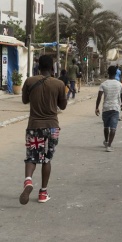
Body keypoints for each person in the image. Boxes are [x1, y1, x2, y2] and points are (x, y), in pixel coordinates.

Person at [20, 55, 67, 205]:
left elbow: (24, 100)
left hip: (34, 126)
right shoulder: (58, 84)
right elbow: (63, 106)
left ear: (38, 67)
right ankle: (43, 193)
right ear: (52, 67)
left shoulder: (29, 81)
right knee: (47, 159)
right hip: (52, 127)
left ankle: (28, 181)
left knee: (32, 157)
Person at [95, 65, 122, 152]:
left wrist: (96, 107)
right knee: (113, 128)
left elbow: (99, 97)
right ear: (116, 73)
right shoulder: (120, 84)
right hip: (115, 108)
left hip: (106, 108)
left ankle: (106, 140)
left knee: (106, 126)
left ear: (107, 73)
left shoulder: (103, 84)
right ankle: (109, 145)